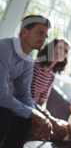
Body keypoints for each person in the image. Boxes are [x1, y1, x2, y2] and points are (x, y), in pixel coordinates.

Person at [0, 15, 52, 148]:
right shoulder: (3, 48)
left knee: (26, 118)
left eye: (46, 36)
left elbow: (24, 94)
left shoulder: (28, 59)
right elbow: (1, 94)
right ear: (24, 33)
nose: (44, 39)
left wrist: (40, 117)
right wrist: (32, 113)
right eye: (40, 33)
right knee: (5, 114)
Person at [30, 38, 71, 141]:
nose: (62, 52)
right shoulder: (35, 65)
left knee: (65, 128)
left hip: (36, 108)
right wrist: (51, 119)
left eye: (66, 51)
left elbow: (42, 101)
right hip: (25, 105)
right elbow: (26, 96)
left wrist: (49, 116)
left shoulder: (51, 75)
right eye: (60, 48)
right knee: (55, 127)